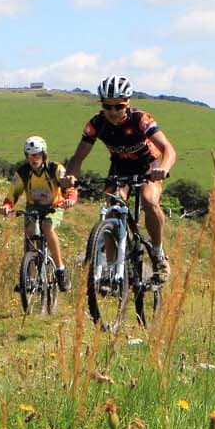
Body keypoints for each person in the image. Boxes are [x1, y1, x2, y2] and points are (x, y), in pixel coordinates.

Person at [62, 75, 176, 282]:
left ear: (128, 103)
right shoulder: (96, 123)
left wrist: (164, 168)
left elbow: (168, 149)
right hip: (120, 167)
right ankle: (113, 270)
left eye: (119, 106)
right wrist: (71, 177)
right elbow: (78, 158)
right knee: (111, 209)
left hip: (148, 165)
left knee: (150, 200)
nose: (113, 112)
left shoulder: (141, 119)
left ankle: (158, 255)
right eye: (108, 106)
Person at [0, 135, 73, 291]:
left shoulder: (55, 169)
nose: (34, 158)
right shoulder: (23, 173)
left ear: (44, 154)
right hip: (33, 206)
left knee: (47, 226)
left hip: (54, 205)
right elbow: (13, 193)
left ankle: (60, 271)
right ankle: (30, 278)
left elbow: (69, 187)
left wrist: (70, 199)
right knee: (30, 232)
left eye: (37, 154)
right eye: (30, 155)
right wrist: (6, 206)